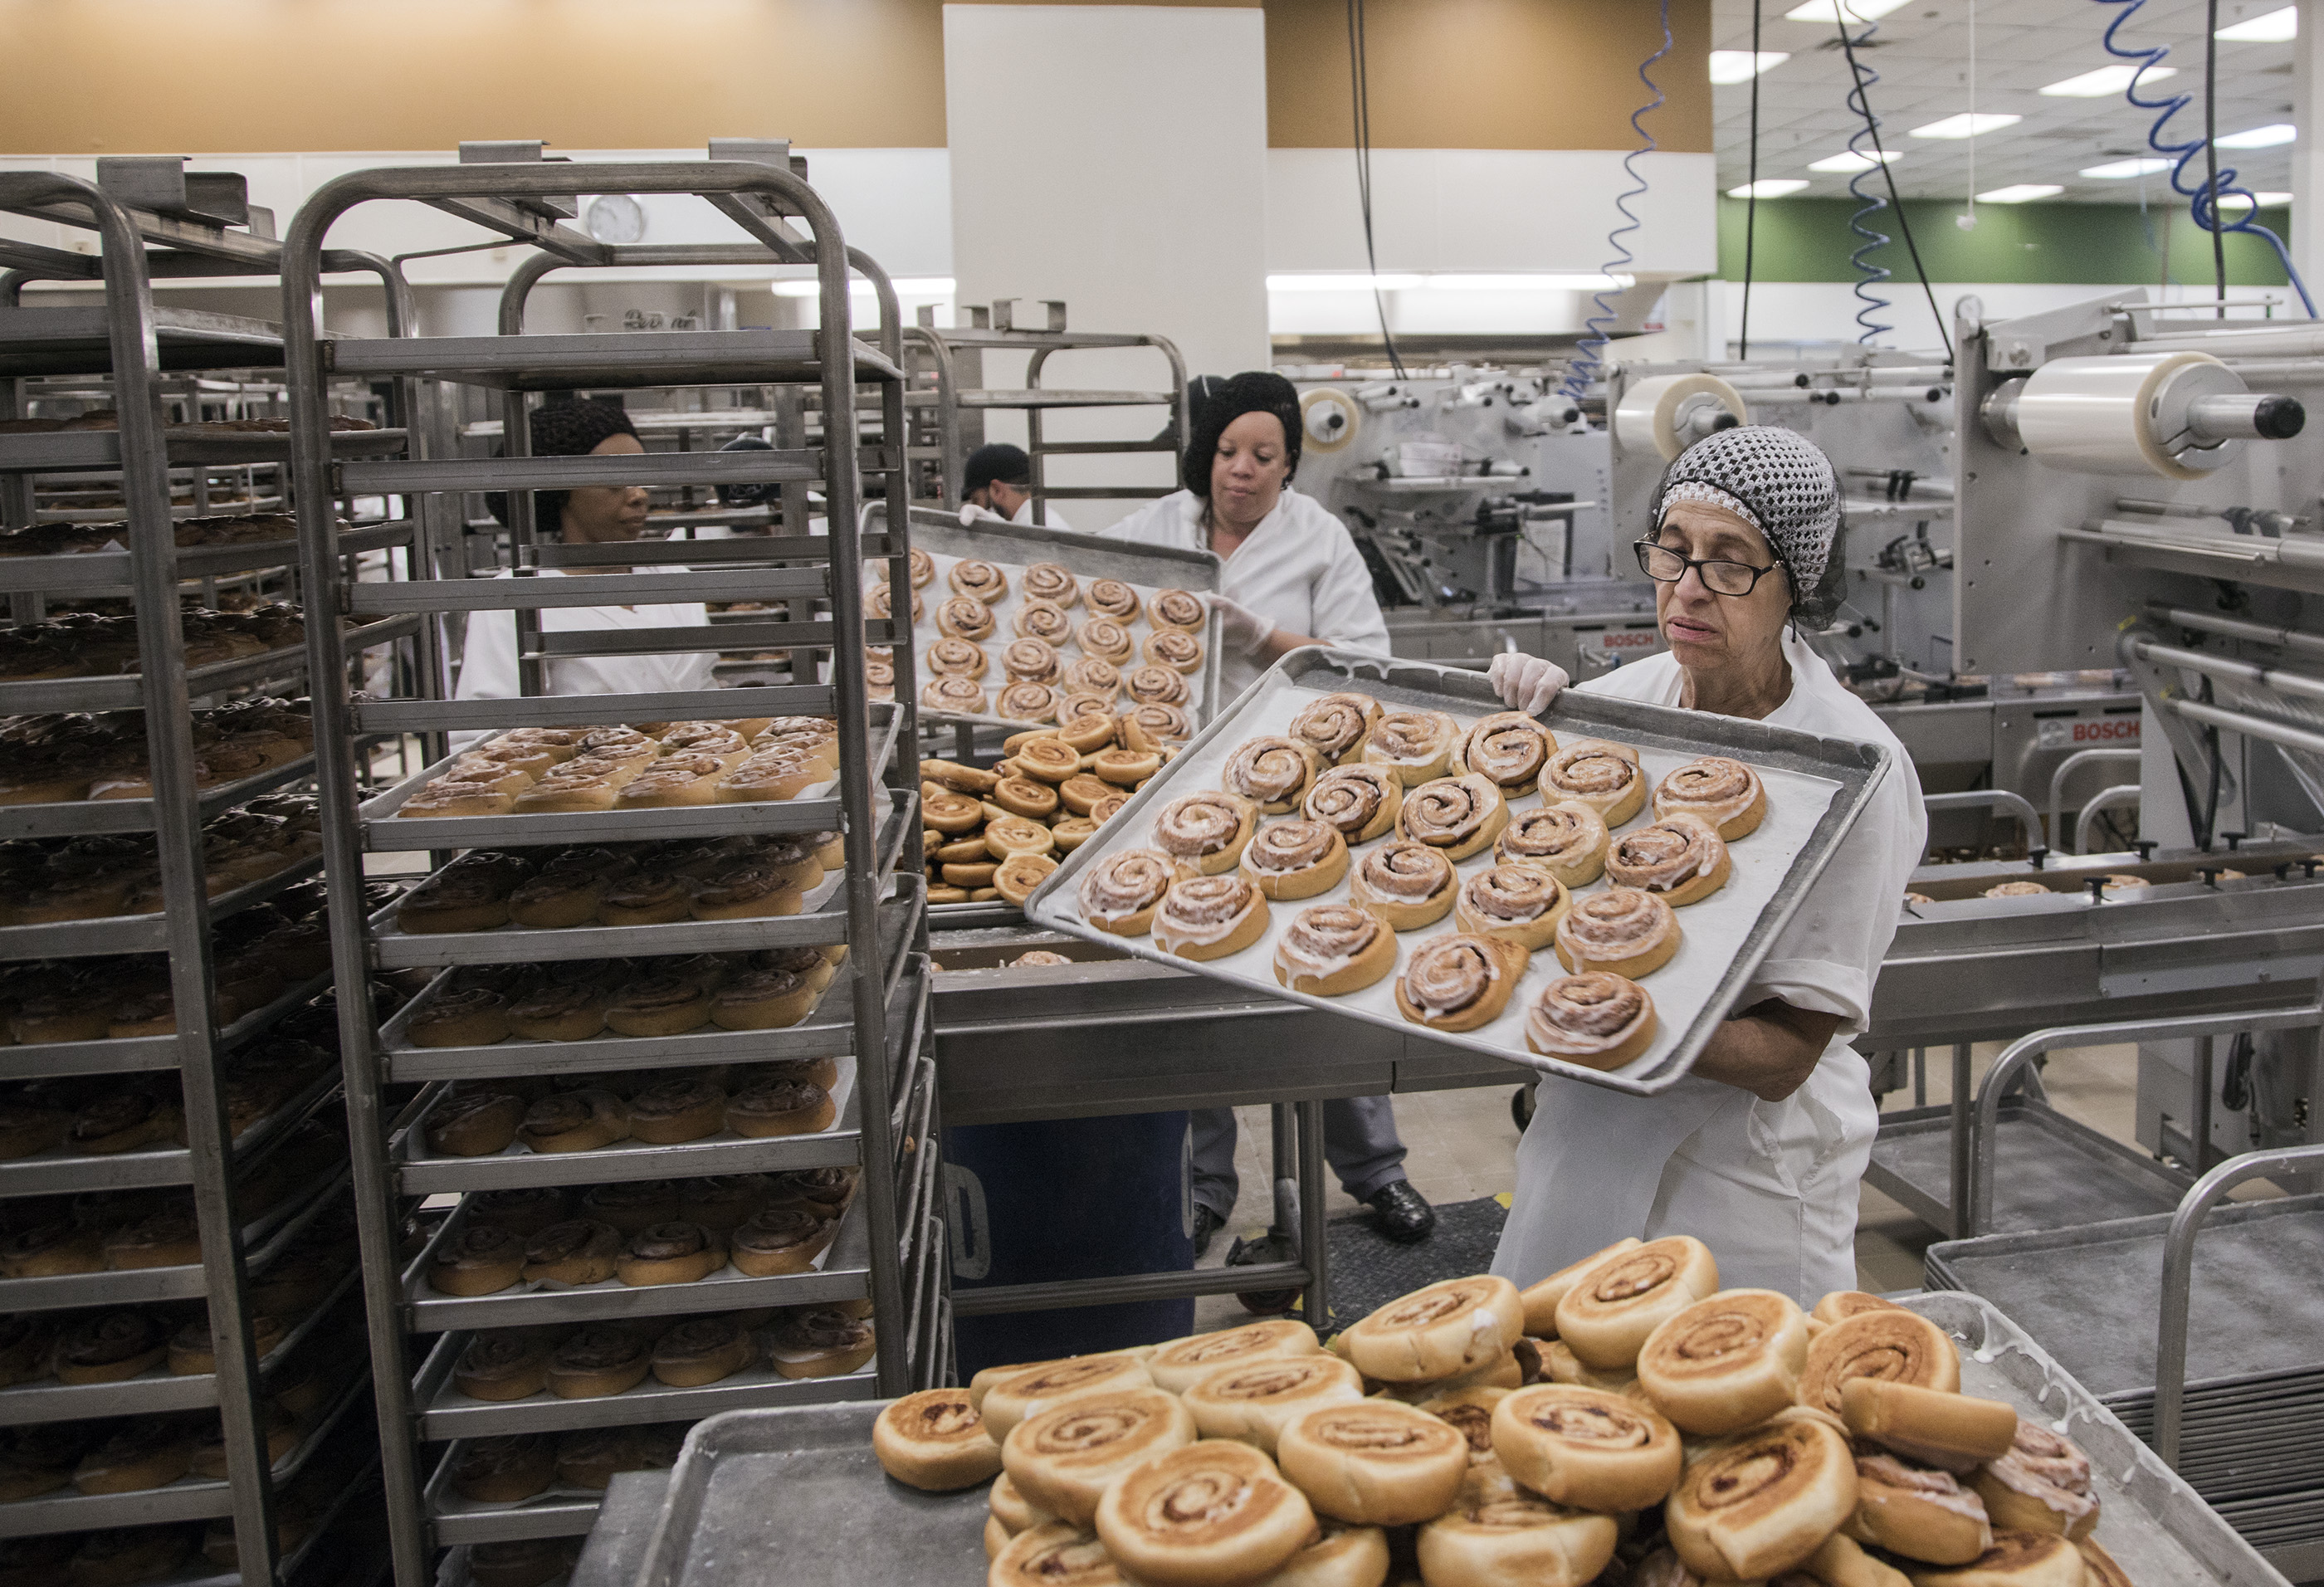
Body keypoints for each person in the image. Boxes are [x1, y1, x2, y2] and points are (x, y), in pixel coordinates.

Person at [1485, 426, 1926, 1305]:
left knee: (1737, 1410)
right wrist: (1506, 729)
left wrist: (1588, 1014)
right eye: (1672, 552)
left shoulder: (1851, 769)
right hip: (1586, 1136)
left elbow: (1781, 1058)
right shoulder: (1616, 711)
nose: (1687, 588)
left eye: (1729, 563)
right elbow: (1512, 892)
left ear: (1795, 583)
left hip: (1746, 1177)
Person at [1099, 370, 1432, 1250]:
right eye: (1225, 452)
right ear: (1203, 455)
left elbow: (1371, 663)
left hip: (1298, 802)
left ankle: (1375, 1172)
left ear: (1289, 465)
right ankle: (1205, 1183)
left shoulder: (1317, 540)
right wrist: (994, 542)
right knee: (1189, 981)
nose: (1239, 471)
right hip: (1176, 797)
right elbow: (1074, 576)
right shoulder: (1159, 527)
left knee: (1320, 977)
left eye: (1262, 456)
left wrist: (1266, 639)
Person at [454, 400, 715, 740]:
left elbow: (711, 698)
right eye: (614, 482)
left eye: (641, 478)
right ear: (562, 492)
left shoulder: (675, 581)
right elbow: (485, 736)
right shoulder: (515, 598)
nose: (638, 495)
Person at [959, 442, 1071, 530]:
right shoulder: (1042, 522)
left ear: (997, 490)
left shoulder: (1036, 533)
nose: (976, 507)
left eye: (976, 499)